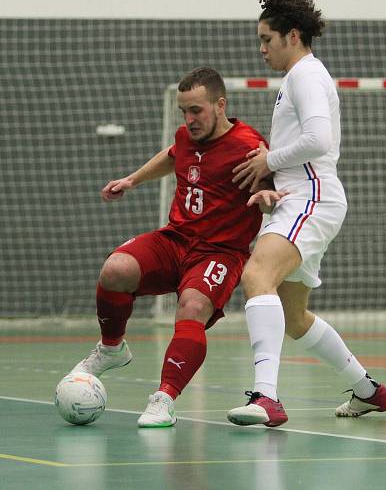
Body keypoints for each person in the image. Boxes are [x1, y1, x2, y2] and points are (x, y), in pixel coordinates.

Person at [226, 0, 386, 428]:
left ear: (293, 36)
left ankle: (266, 398)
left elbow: (319, 141)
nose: (261, 48)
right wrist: (274, 176)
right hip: (304, 198)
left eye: (267, 39)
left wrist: (269, 159)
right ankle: (368, 390)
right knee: (294, 315)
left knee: (256, 275)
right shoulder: (300, 78)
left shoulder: (306, 75)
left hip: (312, 199)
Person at [68, 67, 270, 427]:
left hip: (219, 252)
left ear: (220, 104)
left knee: (192, 306)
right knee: (116, 269)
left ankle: (164, 399)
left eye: (197, 111)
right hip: (175, 239)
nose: (189, 120)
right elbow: (173, 153)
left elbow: (272, 185)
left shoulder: (248, 146)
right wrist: (132, 179)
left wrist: (268, 197)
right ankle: (112, 348)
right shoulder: (186, 136)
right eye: (184, 112)